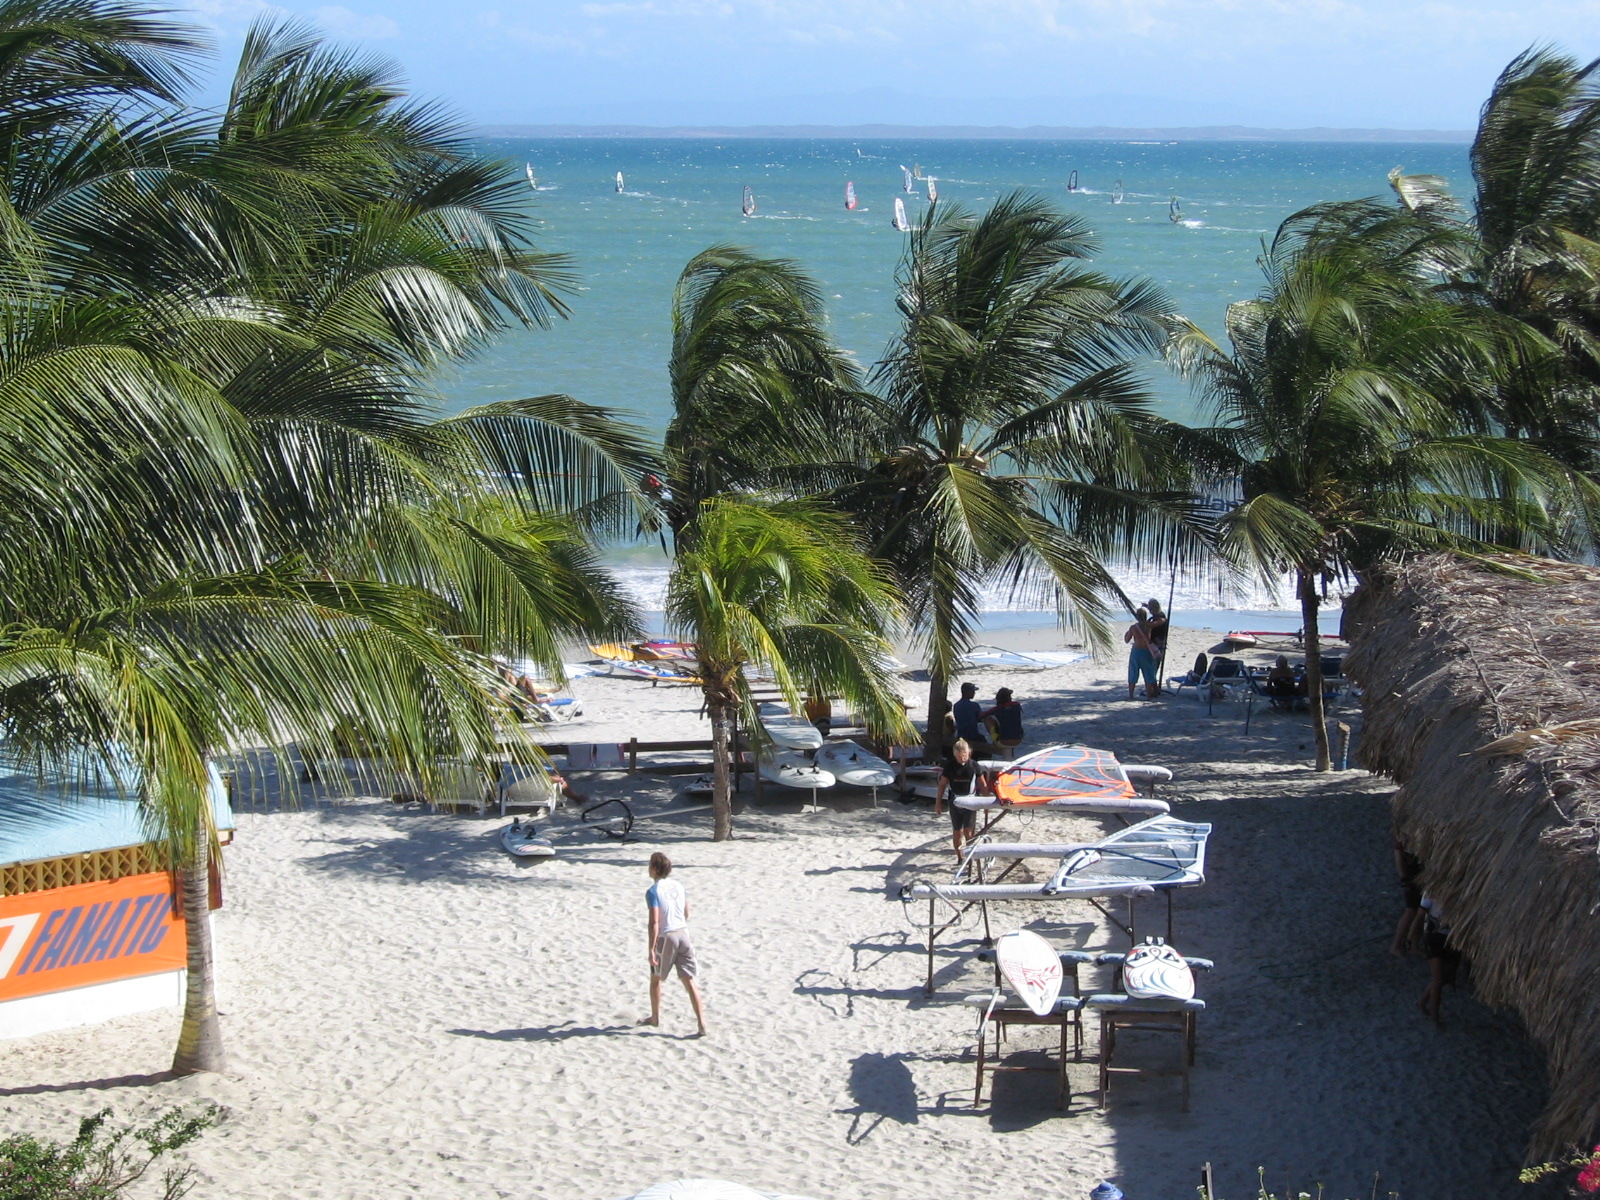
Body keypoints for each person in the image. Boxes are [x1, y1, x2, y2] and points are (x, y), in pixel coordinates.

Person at [643, 852, 706, 1036]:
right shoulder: (679, 886)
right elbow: (687, 912)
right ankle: (702, 1024)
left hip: (667, 936)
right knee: (689, 981)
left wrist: (652, 949)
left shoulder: (653, 891)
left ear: (654, 869)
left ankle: (655, 1018)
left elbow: (654, 922)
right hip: (683, 934)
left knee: (655, 979)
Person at [935, 738, 984, 858]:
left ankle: (971, 855)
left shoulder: (974, 765)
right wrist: (938, 803)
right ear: (955, 754)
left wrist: (986, 803)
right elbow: (942, 785)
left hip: (971, 800)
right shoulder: (950, 766)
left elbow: (983, 785)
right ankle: (960, 857)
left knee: (968, 831)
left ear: (969, 752)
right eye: (960, 755)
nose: (963, 758)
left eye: (965, 755)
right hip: (955, 801)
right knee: (957, 831)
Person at [1418, 893, 1462, 1025]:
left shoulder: (1460, 893)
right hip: (1433, 938)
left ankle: (1423, 1002)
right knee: (1439, 980)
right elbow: (1420, 915)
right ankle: (1434, 1017)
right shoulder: (1431, 892)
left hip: (1449, 939)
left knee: (1444, 978)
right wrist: (1411, 940)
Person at [1391, 839, 1424, 957]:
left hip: (1418, 877)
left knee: (1420, 911)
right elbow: (1398, 857)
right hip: (1411, 878)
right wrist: (1404, 878)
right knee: (1411, 911)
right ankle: (1396, 945)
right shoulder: (1403, 838)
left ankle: (1414, 944)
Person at [1124, 608, 1159, 699]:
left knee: (1133, 672)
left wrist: (1127, 633)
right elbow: (1162, 621)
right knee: (1148, 673)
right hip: (1147, 651)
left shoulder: (1133, 627)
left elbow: (1127, 640)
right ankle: (1148, 695)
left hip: (1136, 651)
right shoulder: (1149, 626)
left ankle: (1131, 695)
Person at [981, 687, 1024, 756]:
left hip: (1003, 741)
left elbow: (981, 717)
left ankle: (995, 739)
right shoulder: (1016, 706)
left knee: (988, 719)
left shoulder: (997, 709)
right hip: (1018, 739)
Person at [951, 682, 986, 747]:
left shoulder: (956, 705)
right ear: (967, 692)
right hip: (973, 736)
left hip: (961, 735)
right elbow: (981, 718)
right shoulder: (974, 705)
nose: (974, 693)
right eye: (972, 691)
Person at [1145, 599, 1170, 682]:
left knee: (1153, 667)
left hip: (1157, 645)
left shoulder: (1160, 618)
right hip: (1158, 644)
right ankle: (1152, 685)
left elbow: (1150, 626)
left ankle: (1152, 686)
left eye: (1150, 609)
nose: (1149, 611)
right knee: (1152, 667)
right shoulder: (1159, 615)